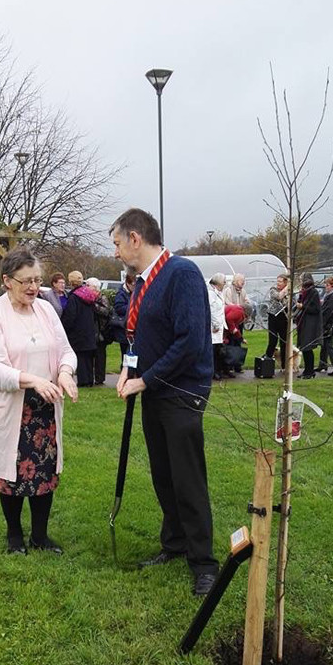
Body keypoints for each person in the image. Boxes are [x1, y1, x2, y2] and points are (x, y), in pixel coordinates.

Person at [111, 207, 218, 596]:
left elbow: (190, 343)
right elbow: (140, 337)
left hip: (182, 393)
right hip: (154, 392)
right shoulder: (142, 282)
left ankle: (204, 562)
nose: (117, 252)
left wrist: (146, 381)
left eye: (118, 243)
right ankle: (174, 544)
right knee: (163, 475)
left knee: (187, 479)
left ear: (135, 238)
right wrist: (128, 369)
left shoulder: (181, 274)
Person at [0, 248, 79, 554]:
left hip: (44, 408)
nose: (34, 287)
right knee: (11, 475)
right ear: (7, 280)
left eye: (37, 280)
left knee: (44, 474)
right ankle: (13, 536)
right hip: (12, 409)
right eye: (26, 281)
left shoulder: (46, 310)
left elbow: (65, 350)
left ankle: (40, 536)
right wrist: (34, 380)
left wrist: (64, 372)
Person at [61, 271, 100, 389]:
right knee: (88, 357)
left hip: (78, 332)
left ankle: (83, 381)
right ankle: (89, 379)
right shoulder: (88, 295)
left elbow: (70, 316)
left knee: (81, 358)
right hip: (89, 331)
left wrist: (64, 327)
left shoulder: (74, 297)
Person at [85, 277, 113, 386]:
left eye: (88, 285)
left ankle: (100, 378)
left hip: (102, 331)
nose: (86, 288)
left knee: (100, 355)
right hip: (92, 331)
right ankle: (91, 377)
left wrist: (93, 305)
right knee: (92, 355)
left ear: (95, 287)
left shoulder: (102, 297)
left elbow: (106, 311)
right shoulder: (88, 298)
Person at [294, 273, 322, 379]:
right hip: (304, 323)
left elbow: (316, 309)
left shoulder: (313, 292)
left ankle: (310, 371)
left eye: (301, 279)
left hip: (310, 324)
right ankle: (307, 370)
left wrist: (303, 306)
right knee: (304, 348)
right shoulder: (304, 292)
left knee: (307, 348)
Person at [262, 273, 290, 372]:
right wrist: (287, 288)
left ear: (285, 282)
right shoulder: (273, 289)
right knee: (272, 341)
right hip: (273, 317)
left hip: (284, 317)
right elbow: (279, 297)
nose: (278, 283)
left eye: (280, 281)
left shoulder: (289, 292)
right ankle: (267, 363)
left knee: (284, 342)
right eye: (277, 281)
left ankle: (284, 366)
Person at [111, 267, 137, 370]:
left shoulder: (133, 293)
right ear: (128, 283)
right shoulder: (121, 294)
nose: (135, 287)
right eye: (133, 285)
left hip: (133, 330)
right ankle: (125, 373)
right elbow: (119, 308)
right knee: (126, 355)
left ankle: (131, 372)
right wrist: (134, 308)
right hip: (124, 330)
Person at [208, 274, 226, 381]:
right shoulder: (211, 293)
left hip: (219, 326)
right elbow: (212, 310)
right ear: (218, 282)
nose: (225, 283)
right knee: (213, 351)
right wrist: (215, 324)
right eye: (224, 281)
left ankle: (218, 371)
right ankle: (213, 372)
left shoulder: (219, 293)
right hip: (213, 327)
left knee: (218, 350)